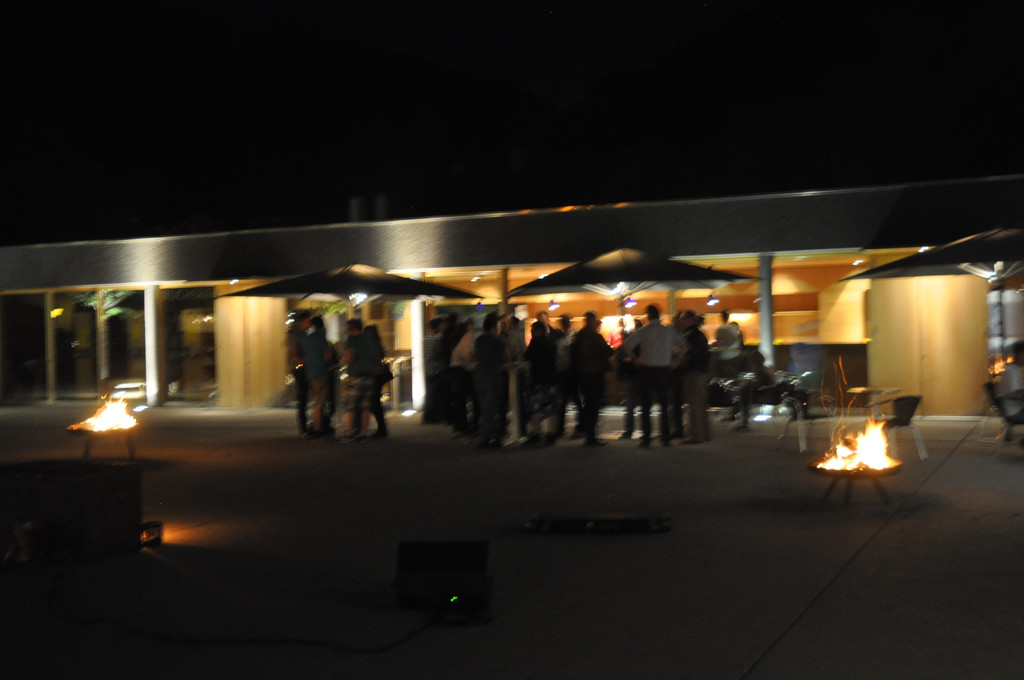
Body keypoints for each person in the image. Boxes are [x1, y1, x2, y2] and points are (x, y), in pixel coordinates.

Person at [623, 305, 679, 447]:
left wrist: (635, 360)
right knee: (664, 404)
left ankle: (647, 438)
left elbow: (626, 346)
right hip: (663, 369)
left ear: (648, 316)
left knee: (646, 405)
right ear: (659, 315)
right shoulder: (668, 331)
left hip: (646, 369)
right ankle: (665, 437)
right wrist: (675, 362)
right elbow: (684, 346)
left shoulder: (643, 331)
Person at [573, 311, 614, 446]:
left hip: (583, 375)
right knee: (594, 405)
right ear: (593, 321)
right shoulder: (595, 336)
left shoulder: (579, 336)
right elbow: (608, 352)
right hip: (595, 374)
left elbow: (574, 355)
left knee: (588, 403)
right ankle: (591, 436)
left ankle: (587, 433)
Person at [675, 310, 712, 443]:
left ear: (690, 320)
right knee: (700, 404)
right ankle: (703, 433)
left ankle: (695, 434)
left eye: (683, 319)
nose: (681, 321)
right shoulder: (698, 335)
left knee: (694, 404)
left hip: (693, 373)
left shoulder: (690, 335)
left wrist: (679, 365)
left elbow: (690, 355)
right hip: (700, 372)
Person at [524, 319, 561, 445]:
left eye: (533, 330)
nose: (531, 332)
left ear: (537, 330)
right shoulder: (551, 342)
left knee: (535, 407)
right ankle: (551, 433)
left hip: (538, 380)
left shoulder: (535, 343)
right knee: (551, 408)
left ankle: (535, 433)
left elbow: (527, 356)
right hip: (552, 379)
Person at [474, 312, 507, 448]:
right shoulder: (497, 341)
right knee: (493, 408)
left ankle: (485, 436)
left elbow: (476, 356)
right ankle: (492, 437)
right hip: (493, 376)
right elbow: (502, 359)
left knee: (484, 408)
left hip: (479, 376)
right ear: (494, 327)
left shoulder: (478, 340)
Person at [340, 318, 375, 442]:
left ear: (351, 329)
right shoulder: (368, 340)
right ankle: (363, 433)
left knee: (350, 405)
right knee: (365, 406)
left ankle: (350, 432)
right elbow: (373, 357)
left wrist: (343, 361)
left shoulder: (352, 340)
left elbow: (348, 358)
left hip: (355, 376)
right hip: (369, 376)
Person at [301, 315, 336, 438]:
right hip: (320, 372)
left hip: (310, 373)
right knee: (320, 401)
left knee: (317, 399)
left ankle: (317, 426)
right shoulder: (321, 338)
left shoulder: (307, 339)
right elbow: (327, 355)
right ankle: (317, 427)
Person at [731, 349, 776, 430]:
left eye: (751, 359)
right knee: (744, 393)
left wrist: (748, 384)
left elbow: (757, 385)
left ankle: (739, 418)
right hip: (768, 394)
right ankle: (737, 416)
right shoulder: (763, 369)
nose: (749, 361)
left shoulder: (760, 370)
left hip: (765, 396)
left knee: (744, 394)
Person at [449, 318, 478, 438]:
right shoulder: (469, 337)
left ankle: (460, 427)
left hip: (457, 369)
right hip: (461, 370)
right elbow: (468, 356)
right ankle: (464, 427)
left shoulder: (460, 339)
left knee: (459, 400)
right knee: (466, 398)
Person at [555, 313, 582, 438]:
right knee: (574, 401)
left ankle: (561, 428)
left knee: (565, 401)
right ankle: (578, 426)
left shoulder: (563, 337)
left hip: (566, 372)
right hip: (569, 372)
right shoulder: (572, 337)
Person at [287, 310, 311, 436]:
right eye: (308, 321)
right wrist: (307, 361)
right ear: (303, 321)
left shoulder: (304, 334)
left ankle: (307, 425)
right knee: (302, 397)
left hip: (304, 367)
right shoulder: (295, 335)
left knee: (305, 396)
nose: (309, 324)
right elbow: (294, 355)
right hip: (300, 368)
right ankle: (303, 427)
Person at [616, 318, 641, 439]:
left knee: (630, 403)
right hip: (639, 374)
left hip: (630, 374)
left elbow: (620, 356)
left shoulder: (626, 343)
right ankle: (644, 431)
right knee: (641, 403)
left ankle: (629, 430)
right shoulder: (641, 342)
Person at [363, 324, 389, 438]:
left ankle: (381, 429)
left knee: (374, 403)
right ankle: (381, 428)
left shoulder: (370, 344)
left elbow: (370, 360)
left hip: (373, 375)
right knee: (375, 403)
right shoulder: (378, 343)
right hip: (378, 375)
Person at [422, 317, 448, 424]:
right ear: (437, 327)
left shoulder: (425, 339)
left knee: (430, 394)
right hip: (437, 370)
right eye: (442, 326)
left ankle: (427, 416)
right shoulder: (437, 339)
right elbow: (441, 353)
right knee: (436, 395)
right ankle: (435, 416)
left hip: (427, 370)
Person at [998, 341, 1024, 426]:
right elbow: (1015, 394)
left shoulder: (1010, 368)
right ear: (1020, 355)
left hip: (1011, 409)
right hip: (1014, 412)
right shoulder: (1013, 371)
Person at [712, 309, 744, 379]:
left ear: (721, 317)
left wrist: (716, 345)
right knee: (733, 375)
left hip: (725, 356)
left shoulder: (722, 328)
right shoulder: (734, 329)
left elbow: (721, 342)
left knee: (724, 376)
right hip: (736, 355)